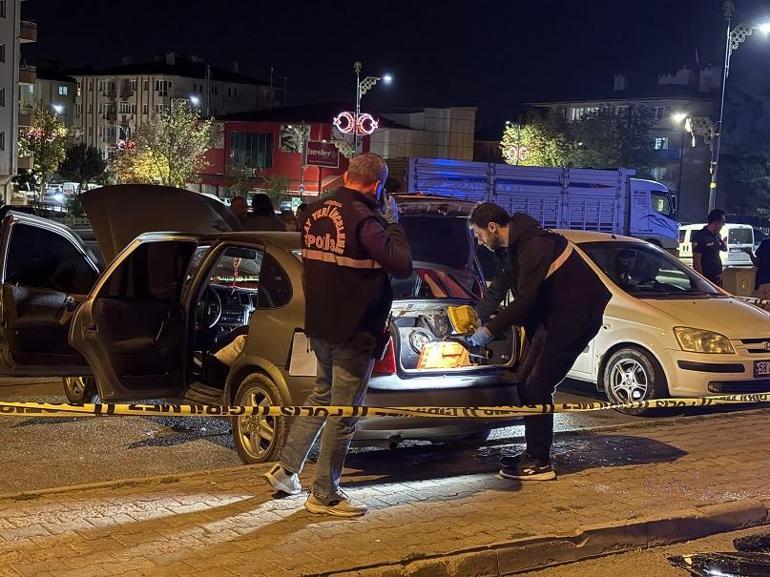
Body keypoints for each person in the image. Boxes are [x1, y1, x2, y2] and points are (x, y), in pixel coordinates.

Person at [264, 153, 413, 517]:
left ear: (347, 175)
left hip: (322, 327)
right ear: (377, 186)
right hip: (353, 330)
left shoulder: (315, 212)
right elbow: (402, 265)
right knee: (344, 413)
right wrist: (393, 223)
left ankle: (285, 471)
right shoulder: (367, 220)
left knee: (322, 397)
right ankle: (325, 494)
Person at [469, 203, 611, 481]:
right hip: (554, 317)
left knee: (537, 385)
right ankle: (534, 452)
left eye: (478, 234)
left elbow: (526, 300)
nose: (478, 240)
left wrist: (489, 331)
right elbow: (500, 284)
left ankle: (541, 463)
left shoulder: (535, 246)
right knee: (525, 384)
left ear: (492, 228)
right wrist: (477, 316)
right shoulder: (518, 245)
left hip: (574, 318)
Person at [692, 209, 727, 286]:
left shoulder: (716, 236)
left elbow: (724, 249)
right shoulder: (700, 236)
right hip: (706, 279)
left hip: (717, 278)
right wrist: (702, 281)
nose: (723, 225)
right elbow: (696, 261)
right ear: (716, 222)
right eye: (722, 222)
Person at [744, 235, 770, 299]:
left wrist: (750, 253)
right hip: (764, 281)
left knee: (761, 306)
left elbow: (757, 263)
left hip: (764, 281)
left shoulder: (765, 243)